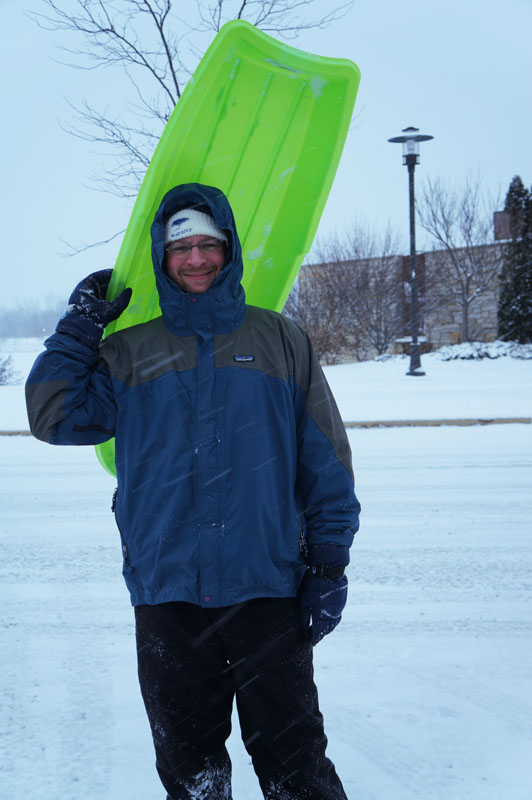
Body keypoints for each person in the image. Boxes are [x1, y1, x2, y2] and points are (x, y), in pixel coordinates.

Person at [26, 182, 361, 800]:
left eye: (209, 244)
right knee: (191, 772)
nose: (197, 258)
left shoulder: (280, 342)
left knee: (298, 767)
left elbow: (326, 464)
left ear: (229, 248)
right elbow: (54, 416)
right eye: (182, 247)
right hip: (168, 595)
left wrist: (330, 563)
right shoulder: (129, 352)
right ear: (162, 255)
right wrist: (78, 331)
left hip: (267, 588)